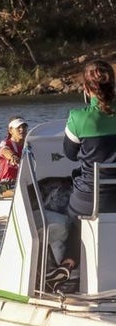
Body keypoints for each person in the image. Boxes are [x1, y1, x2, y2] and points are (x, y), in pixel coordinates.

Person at [50, 60, 116, 288]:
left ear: (86, 89)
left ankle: (69, 264)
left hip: (91, 196)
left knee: (74, 216)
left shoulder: (78, 118)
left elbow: (69, 153)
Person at [0, 117, 29, 197]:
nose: (22, 129)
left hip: (23, 181)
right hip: (6, 184)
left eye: (24, 127)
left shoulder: (29, 144)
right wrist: (12, 156)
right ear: (11, 130)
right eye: (18, 127)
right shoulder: (5, 143)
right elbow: (5, 150)